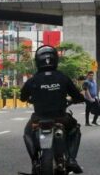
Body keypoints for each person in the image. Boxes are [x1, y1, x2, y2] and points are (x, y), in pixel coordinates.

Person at [20, 45, 84, 174]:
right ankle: (71, 159)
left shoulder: (33, 80)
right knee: (75, 130)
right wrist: (77, 99)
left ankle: (34, 161)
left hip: (38, 118)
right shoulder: (62, 78)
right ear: (55, 60)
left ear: (37, 61)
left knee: (28, 133)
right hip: (61, 118)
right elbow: (77, 96)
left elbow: (22, 97)